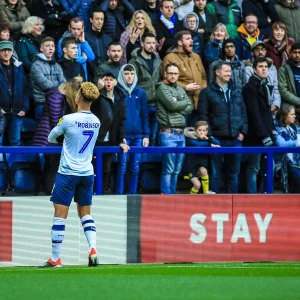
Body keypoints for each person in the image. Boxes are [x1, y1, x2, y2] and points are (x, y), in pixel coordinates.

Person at [39, 82, 100, 268]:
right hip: (87, 172)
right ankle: (93, 249)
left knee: (60, 216)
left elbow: (50, 137)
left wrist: (64, 137)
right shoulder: (96, 121)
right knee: (85, 214)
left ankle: (55, 258)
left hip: (67, 173)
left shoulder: (67, 119)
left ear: (78, 97)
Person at [197, 61, 248, 193]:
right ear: (217, 72)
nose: (229, 73)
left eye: (230, 71)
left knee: (234, 174)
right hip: (217, 139)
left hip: (236, 138)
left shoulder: (237, 90)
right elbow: (203, 116)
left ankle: (234, 205)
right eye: (226, 71)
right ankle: (215, 204)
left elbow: (243, 113)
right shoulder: (206, 92)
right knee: (215, 174)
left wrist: (243, 132)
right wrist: (210, 137)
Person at [156, 63, 194, 194]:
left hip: (180, 133)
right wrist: (180, 103)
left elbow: (190, 107)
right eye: (170, 73)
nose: (173, 76)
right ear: (165, 74)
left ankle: (172, 196)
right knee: (168, 169)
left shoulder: (180, 89)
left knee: (177, 169)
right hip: (167, 133)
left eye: (175, 73)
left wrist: (178, 103)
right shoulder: (161, 87)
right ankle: (167, 196)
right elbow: (171, 105)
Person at [90, 72, 128, 194]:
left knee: (106, 169)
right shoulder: (98, 96)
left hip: (110, 141)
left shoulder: (120, 98)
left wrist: (121, 140)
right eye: (106, 79)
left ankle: (100, 193)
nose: (108, 82)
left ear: (116, 82)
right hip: (95, 140)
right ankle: (88, 195)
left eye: (111, 80)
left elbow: (121, 121)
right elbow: (89, 105)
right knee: (91, 169)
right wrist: (97, 89)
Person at [116, 64, 150, 195]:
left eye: (131, 73)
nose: (129, 76)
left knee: (135, 167)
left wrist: (146, 135)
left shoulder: (140, 93)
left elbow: (144, 115)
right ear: (121, 75)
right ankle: (118, 196)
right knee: (122, 167)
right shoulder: (118, 91)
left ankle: (132, 195)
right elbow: (116, 116)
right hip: (124, 136)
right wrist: (120, 136)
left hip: (137, 136)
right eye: (126, 73)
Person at [242, 57, 274, 193]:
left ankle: (263, 196)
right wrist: (264, 135)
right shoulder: (250, 87)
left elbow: (266, 113)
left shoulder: (264, 84)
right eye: (260, 66)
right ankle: (253, 198)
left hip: (265, 133)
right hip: (256, 135)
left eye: (266, 67)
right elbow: (254, 114)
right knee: (254, 168)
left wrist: (272, 131)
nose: (264, 69)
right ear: (254, 69)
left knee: (265, 168)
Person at [129, 32, 162, 146]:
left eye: (153, 43)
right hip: (140, 102)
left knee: (152, 137)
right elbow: (132, 83)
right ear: (142, 44)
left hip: (156, 102)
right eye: (148, 43)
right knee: (142, 136)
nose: (152, 45)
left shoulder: (158, 60)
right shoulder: (135, 61)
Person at [163, 30, 207, 112]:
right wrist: (185, 87)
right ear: (180, 42)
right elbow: (166, 79)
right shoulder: (170, 58)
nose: (192, 40)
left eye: (191, 38)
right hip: (182, 105)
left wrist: (203, 92)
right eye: (188, 39)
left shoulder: (196, 57)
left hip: (199, 104)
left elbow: (203, 76)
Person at [0, 40, 28, 146]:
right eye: (3, 50)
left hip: (16, 112)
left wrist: (25, 107)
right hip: (0, 113)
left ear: (12, 51)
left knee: (15, 142)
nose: (6, 53)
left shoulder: (19, 67)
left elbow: (25, 89)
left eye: (9, 50)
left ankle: (15, 163)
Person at [30, 37, 66, 120]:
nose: (50, 48)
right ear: (41, 48)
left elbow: (64, 84)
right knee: (43, 132)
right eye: (47, 46)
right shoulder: (36, 65)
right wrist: (59, 85)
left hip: (57, 103)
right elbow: (45, 85)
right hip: (42, 103)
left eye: (52, 46)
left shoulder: (56, 65)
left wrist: (61, 86)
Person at [183, 121, 219, 194]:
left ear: (206, 132)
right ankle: (190, 200)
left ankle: (206, 192)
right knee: (197, 185)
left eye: (204, 130)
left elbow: (218, 143)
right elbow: (196, 144)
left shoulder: (206, 139)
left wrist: (209, 139)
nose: (201, 132)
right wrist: (210, 144)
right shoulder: (190, 138)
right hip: (190, 168)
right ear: (195, 130)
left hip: (199, 167)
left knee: (203, 170)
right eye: (199, 130)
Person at [244, 41, 281, 113]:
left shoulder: (272, 68)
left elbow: (276, 89)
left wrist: (276, 105)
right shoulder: (248, 69)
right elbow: (250, 91)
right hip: (258, 107)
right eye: (257, 49)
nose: (260, 52)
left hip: (272, 107)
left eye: (262, 49)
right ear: (252, 52)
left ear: (265, 51)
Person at [274, 104, 300, 193]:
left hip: (297, 162)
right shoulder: (276, 127)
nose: (295, 116)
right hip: (284, 163)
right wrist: (297, 143)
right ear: (284, 115)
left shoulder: (295, 128)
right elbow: (281, 144)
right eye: (292, 114)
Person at [85, 9, 112, 77]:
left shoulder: (108, 38)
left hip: (106, 74)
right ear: (91, 20)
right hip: (90, 74)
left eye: (101, 19)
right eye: (97, 19)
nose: (99, 22)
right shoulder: (85, 37)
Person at [278, 42, 300, 109]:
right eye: (295, 52)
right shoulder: (283, 69)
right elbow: (283, 91)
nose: (297, 55)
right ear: (290, 53)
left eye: (299, 53)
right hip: (291, 107)